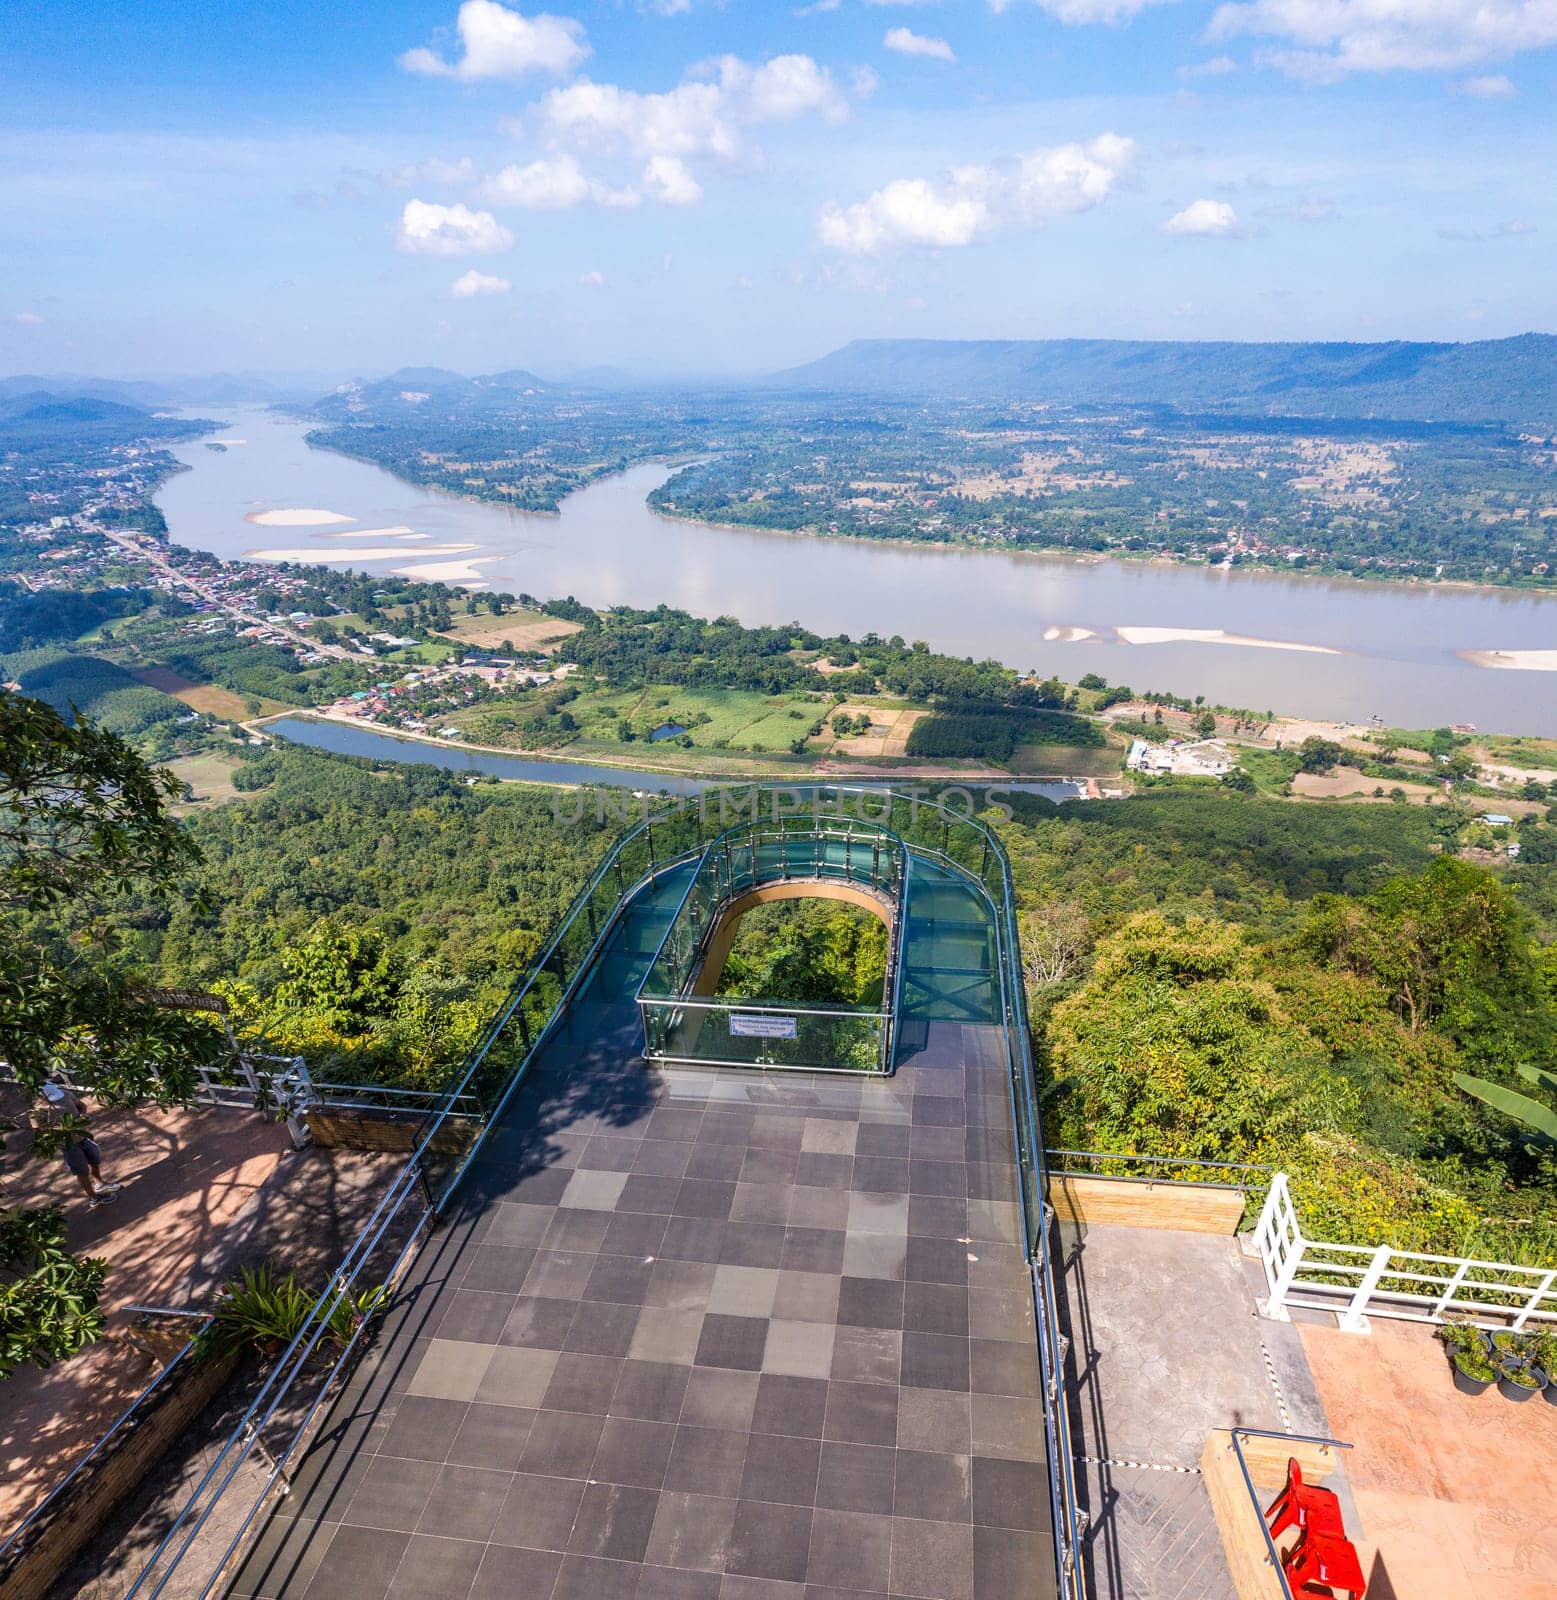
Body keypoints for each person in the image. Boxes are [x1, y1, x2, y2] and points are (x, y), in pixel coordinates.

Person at [39, 1077, 122, 1208]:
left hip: (83, 1136)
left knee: (94, 1159)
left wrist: (83, 1115)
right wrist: (59, 1130)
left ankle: (99, 1184)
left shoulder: (65, 1094)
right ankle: (94, 1198)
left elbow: (82, 1105)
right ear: (41, 1097)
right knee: (81, 1171)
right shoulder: (39, 1110)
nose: (57, 1098)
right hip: (67, 1144)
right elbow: (38, 1129)